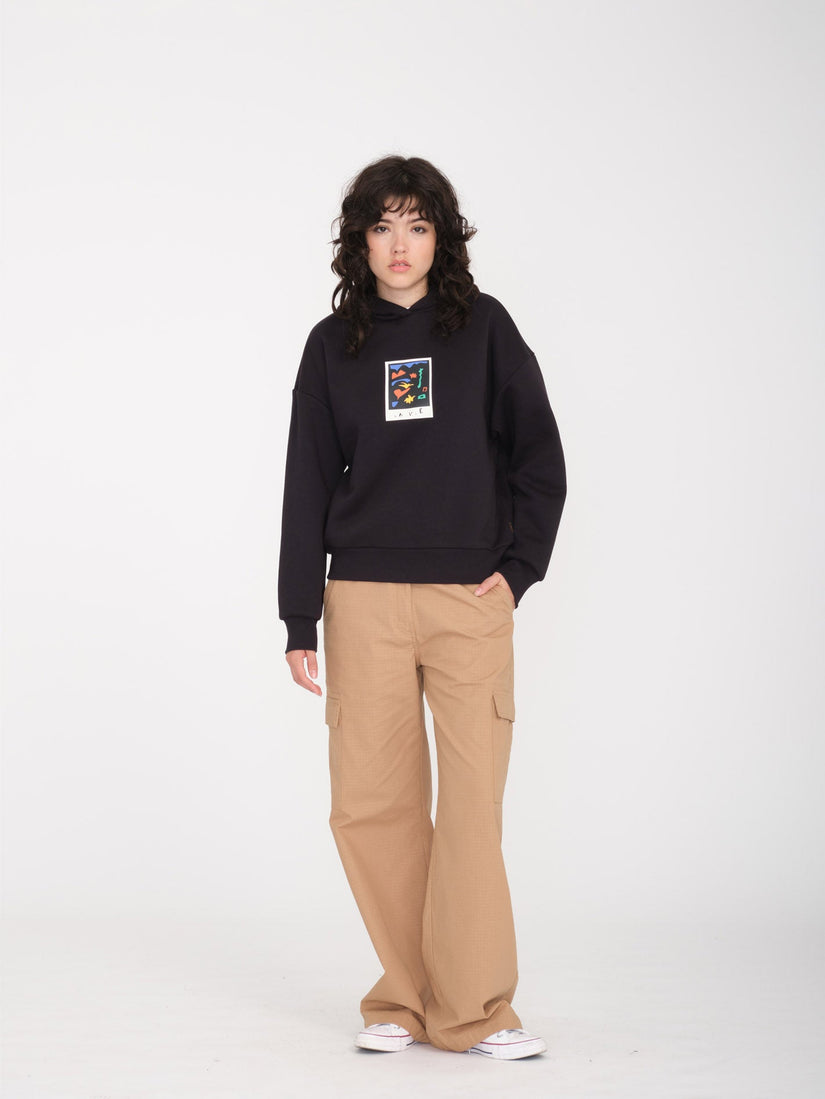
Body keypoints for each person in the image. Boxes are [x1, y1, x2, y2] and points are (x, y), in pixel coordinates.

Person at [277, 155, 567, 1060]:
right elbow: (306, 480)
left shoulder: (484, 329)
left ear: (441, 237)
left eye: (416, 225)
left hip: (466, 597)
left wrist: (518, 569)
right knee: (369, 804)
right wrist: (297, 615)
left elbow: (539, 456)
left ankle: (474, 1008)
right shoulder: (331, 345)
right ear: (358, 241)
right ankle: (405, 995)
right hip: (361, 598)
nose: (398, 244)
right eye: (381, 226)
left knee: (471, 807)